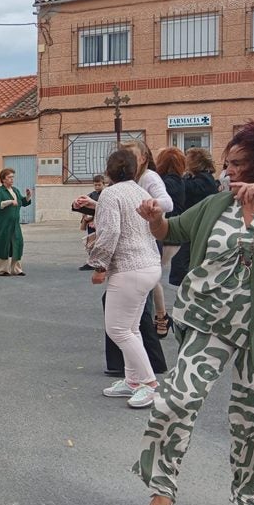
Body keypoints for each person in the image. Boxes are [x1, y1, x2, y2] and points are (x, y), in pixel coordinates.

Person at [133, 121, 254, 505]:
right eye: (227, 164)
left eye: (238, 164)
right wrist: (154, 219)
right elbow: (173, 229)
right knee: (175, 401)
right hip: (209, 324)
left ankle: (249, 499)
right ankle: (162, 487)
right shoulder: (217, 205)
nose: (229, 171)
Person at [88, 150, 163, 409]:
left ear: (109, 171)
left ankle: (149, 384)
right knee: (130, 328)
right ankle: (133, 380)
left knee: (118, 329)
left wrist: (98, 265)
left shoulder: (110, 194)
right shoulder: (141, 192)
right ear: (134, 170)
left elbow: (110, 232)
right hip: (149, 264)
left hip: (129, 268)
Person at [168, 148, 218, 286]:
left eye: (187, 159)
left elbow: (187, 188)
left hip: (198, 228)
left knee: (184, 263)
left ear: (195, 162)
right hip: (195, 227)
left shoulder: (204, 180)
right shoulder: (200, 178)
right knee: (183, 263)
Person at [151, 147, 186, 336]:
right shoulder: (180, 181)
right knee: (154, 274)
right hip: (175, 233)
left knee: (153, 275)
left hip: (166, 233)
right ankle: (161, 316)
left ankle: (161, 315)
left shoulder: (164, 183)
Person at [0, 168, 32, 276]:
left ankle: (16, 269)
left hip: (15, 224)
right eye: (9, 177)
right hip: (3, 224)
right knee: (3, 244)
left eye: (13, 177)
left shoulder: (15, 190)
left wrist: (28, 196)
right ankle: (2, 270)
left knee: (17, 243)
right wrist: (9, 202)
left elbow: (22, 202)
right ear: (3, 179)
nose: (12, 179)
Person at [73, 174, 106, 270]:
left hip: (102, 223)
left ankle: (101, 263)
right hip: (91, 223)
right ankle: (92, 262)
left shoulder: (106, 194)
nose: (97, 187)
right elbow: (85, 207)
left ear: (103, 184)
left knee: (101, 243)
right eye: (95, 185)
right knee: (90, 243)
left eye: (99, 185)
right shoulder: (91, 195)